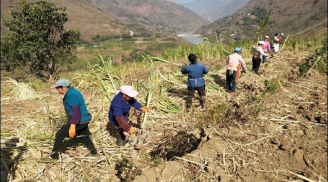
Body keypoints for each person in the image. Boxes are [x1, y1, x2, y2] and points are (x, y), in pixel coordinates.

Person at [46, 79, 98, 160]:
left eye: (58, 89)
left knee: (60, 134)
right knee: (84, 135)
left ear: (64, 87)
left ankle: (54, 156)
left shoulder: (71, 95)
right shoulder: (72, 92)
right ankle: (94, 153)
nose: (58, 91)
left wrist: (72, 126)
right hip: (84, 119)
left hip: (80, 120)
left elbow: (76, 111)